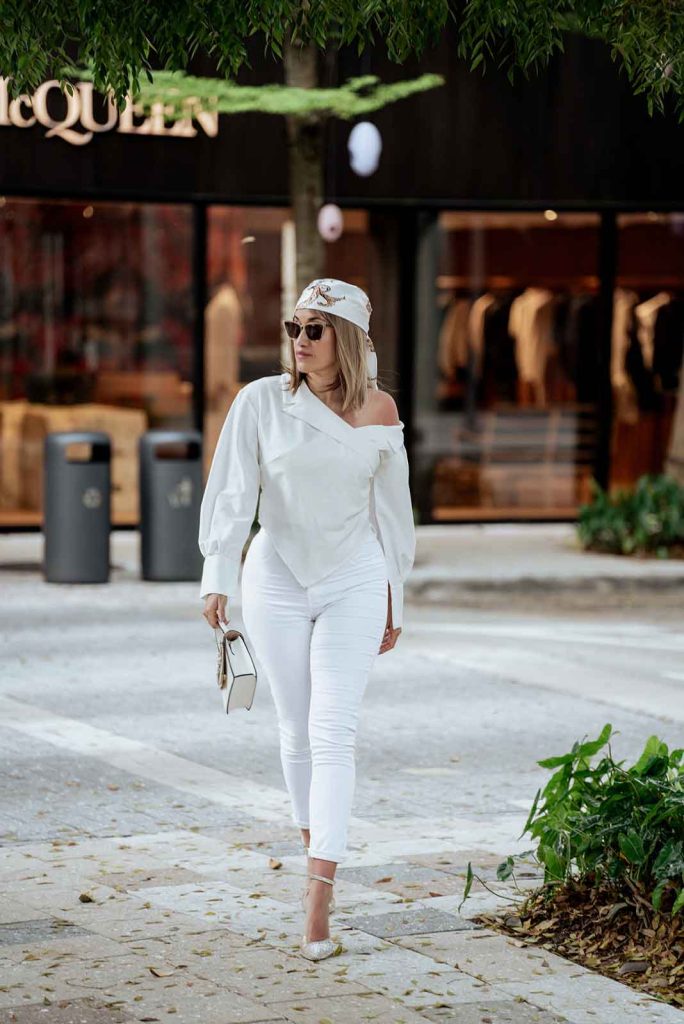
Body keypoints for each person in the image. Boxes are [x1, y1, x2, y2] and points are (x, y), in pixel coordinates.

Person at [198, 277, 416, 961]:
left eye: (314, 329)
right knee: (295, 729)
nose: (299, 340)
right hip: (277, 576)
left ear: (346, 337)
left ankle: (319, 893)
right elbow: (233, 493)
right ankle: (313, 843)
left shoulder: (379, 409)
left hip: (355, 577)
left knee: (333, 730)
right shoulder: (262, 400)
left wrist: (395, 594)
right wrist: (217, 574)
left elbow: (393, 514)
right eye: (294, 327)